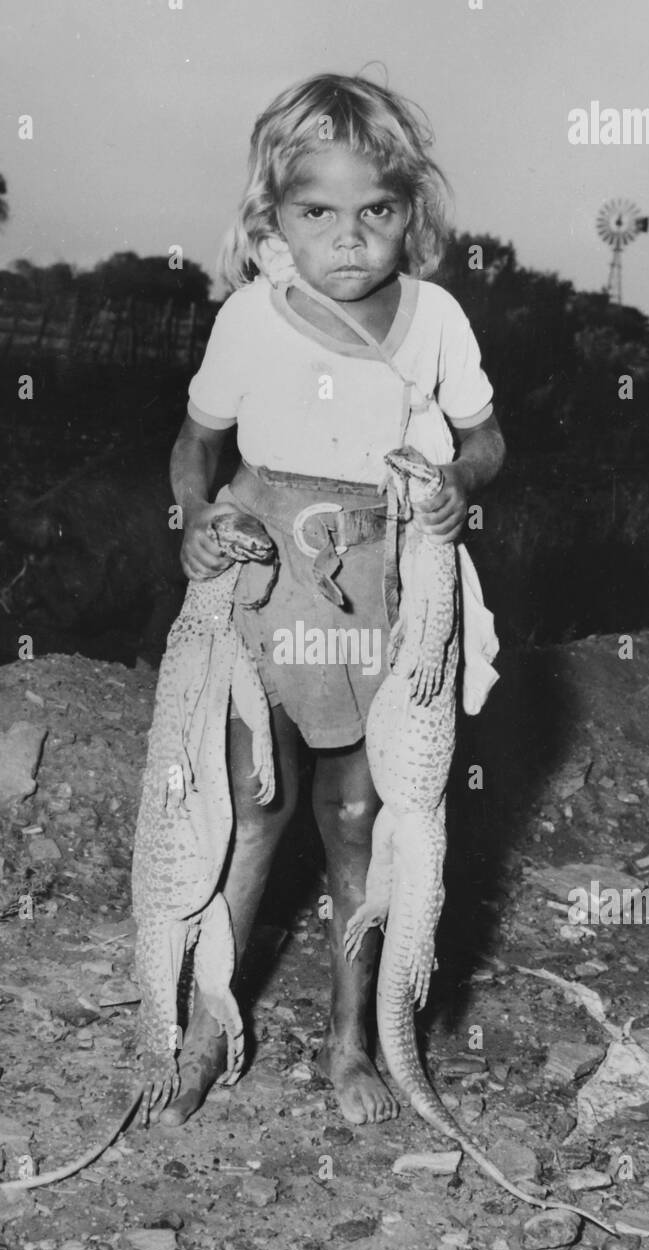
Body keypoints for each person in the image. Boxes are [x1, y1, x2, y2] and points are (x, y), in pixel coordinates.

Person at [159, 71, 505, 1127]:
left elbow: (487, 435)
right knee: (247, 805)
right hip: (270, 578)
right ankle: (207, 1028)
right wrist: (191, 517)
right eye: (318, 212)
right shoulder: (250, 323)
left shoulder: (435, 319)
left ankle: (356, 1040)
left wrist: (458, 482)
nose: (350, 239)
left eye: (378, 212)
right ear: (272, 221)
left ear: (413, 213)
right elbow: (197, 445)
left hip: (380, 584)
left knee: (363, 814)